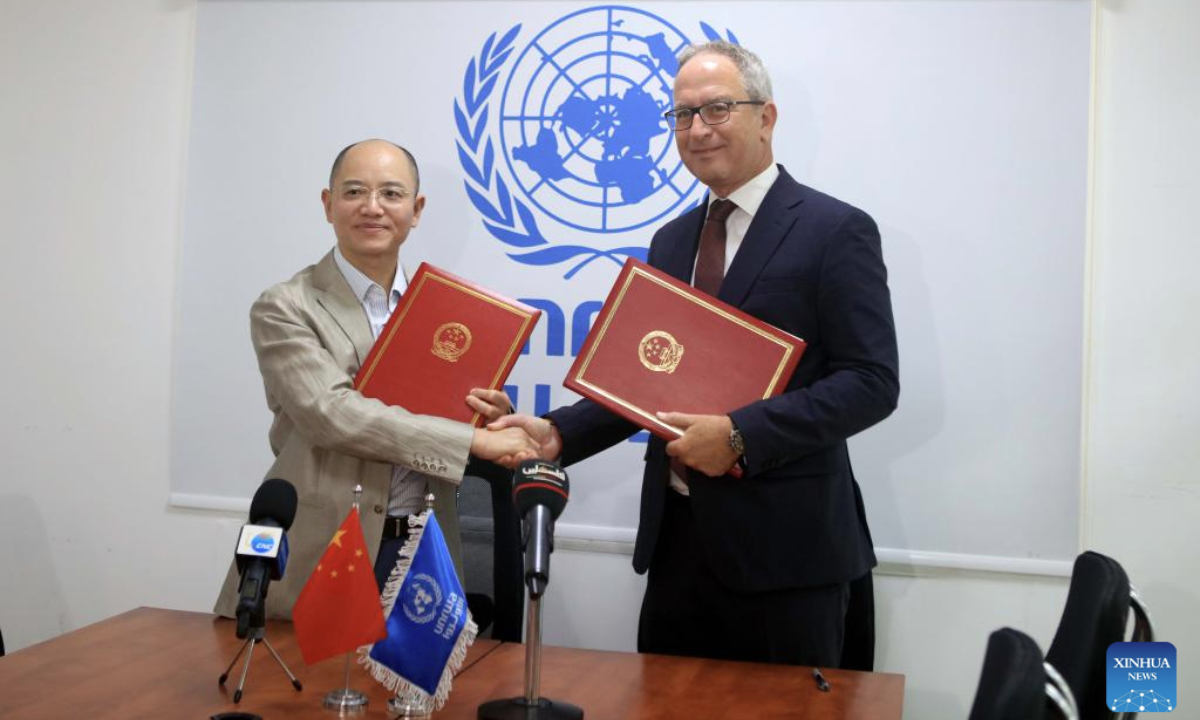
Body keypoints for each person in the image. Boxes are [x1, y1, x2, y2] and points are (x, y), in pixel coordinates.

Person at [491, 42, 899, 667]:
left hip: (789, 560)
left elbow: (870, 381)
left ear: (766, 118)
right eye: (682, 115)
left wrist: (738, 435)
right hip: (677, 549)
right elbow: (649, 382)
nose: (697, 129)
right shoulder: (673, 240)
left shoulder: (835, 230)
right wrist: (559, 433)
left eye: (717, 109)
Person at [214, 139, 540, 620]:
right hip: (326, 546)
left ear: (416, 209)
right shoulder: (285, 306)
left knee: (424, 674)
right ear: (328, 204)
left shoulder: (446, 310)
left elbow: (446, 416)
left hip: (424, 548)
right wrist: (472, 440)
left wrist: (489, 415)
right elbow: (332, 415)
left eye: (391, 193)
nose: (372, 207)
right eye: (354, 192)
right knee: (303, 672)